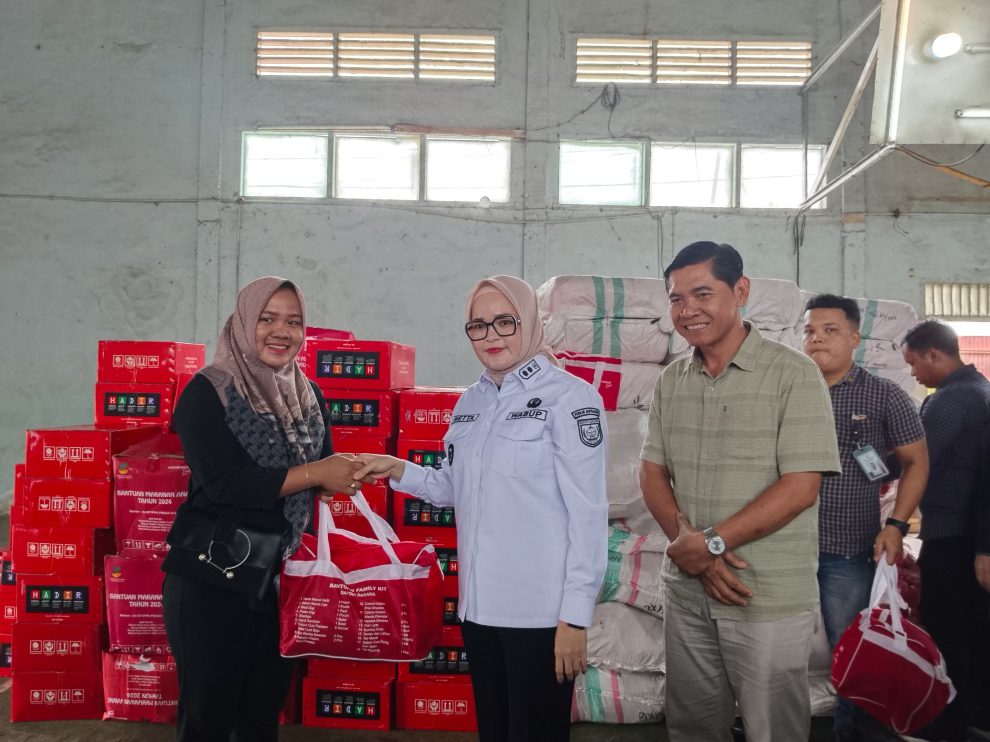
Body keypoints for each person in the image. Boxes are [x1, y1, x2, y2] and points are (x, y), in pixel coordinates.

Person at [353, 275, 608, 742]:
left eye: (505, 322)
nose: (491, 336)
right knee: (495, 730)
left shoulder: (569, 399)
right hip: (480, 611)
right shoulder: (471, 401)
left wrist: (575, 617)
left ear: (529, 321)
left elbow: (589, 515)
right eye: (478, 326)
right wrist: (395, 468)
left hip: (540, 615)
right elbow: (455, 488)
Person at [638, 241, 841, 742]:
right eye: (677, 298)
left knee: (772, 730)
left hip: (764, 595)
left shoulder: (794, 375)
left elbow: (800, 487)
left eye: (702, 293)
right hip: (688, 594)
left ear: (741, 291)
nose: (688, 310)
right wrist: (691, 547)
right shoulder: (671, 381)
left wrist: (708, 546)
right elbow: (652, 472)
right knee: (691, 727)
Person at [163, 276, 365, 742]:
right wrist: (316, 475)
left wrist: (349, 474)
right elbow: (224, 483)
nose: (282, 331)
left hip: (280, 582)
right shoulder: (207, 392)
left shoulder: (308, 395)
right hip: (213, 578)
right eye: (268, 319)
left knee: (260, 716)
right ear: (243, 321)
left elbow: (320, 470)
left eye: (293, 322)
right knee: (208, 716)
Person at [802, 293, 928, 742]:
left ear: (855, 337)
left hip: (846, 550)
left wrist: (896, 525)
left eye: (830, 330)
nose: (816, 339)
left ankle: (851, 734)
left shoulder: (883, 394)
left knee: (850, 652)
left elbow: (917, 462)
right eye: (809, 331)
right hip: (783, 550)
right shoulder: (788, 388)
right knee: (772, 652)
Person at [900, 319, 990, 742]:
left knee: (946, 629)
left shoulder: (950, 402)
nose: (914, 373)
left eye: (914, 363)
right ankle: (973, 715)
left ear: (934, 355)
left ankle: (950, 723)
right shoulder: (980, 391)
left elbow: (916, 459)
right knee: (973, 628)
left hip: (952, 536)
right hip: (970, 537)